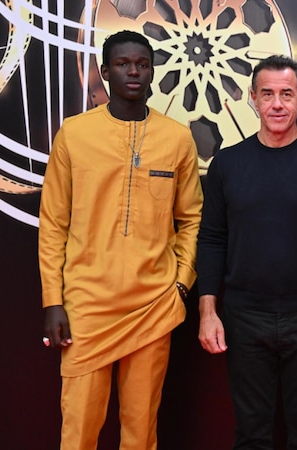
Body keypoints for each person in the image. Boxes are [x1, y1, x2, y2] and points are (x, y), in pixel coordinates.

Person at [39, 30, 203, 450]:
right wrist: (53, 301)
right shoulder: (74, 134)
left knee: (141, 431)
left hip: (152, 304)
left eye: (142, 64)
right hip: (85, 306)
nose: (134, 71)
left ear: (152, 70)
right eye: (123, 64)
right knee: (78, 432)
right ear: (105, 71)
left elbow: (192, 217)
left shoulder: (176, 137)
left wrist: (180, 282)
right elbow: (53, 223)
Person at [196, 55, 297, 449]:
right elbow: (212, 239)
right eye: (267, 94)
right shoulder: (227, 165)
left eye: (286, 94)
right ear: (252, 98)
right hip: (243, 318)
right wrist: (207, 312)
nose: (276, 104)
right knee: (251, 436)